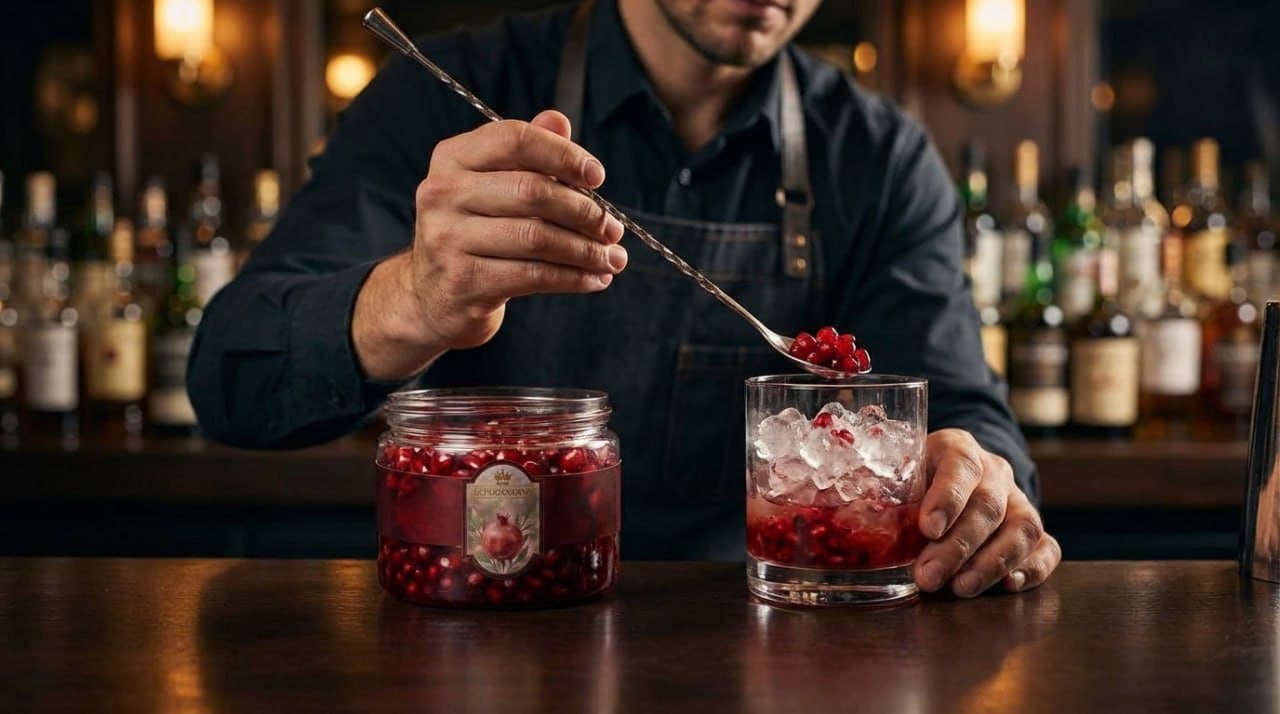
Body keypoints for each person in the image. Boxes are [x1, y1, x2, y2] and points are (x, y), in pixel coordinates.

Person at [189, 0, 1061, 596]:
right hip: (470, 619)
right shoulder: (448, 91)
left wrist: (973, 479)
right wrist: (412, 300)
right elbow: (232, 378)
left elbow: (954, 407)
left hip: (752, 638)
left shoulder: (876, 158)